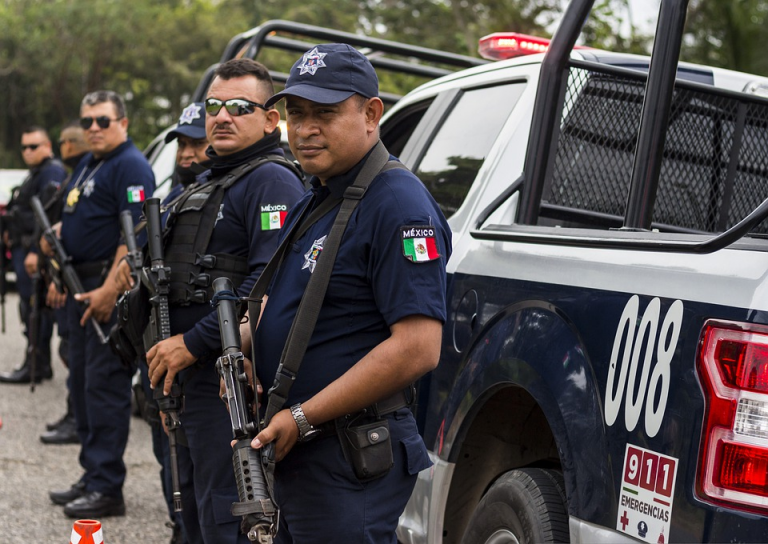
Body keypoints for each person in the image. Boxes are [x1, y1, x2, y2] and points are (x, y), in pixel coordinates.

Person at [243, 43, 452, 543]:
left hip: (346, 451)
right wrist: (248, 347)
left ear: (371, 114)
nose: (307, 128)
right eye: (297, 113)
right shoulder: (321, 194)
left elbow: (418, 347)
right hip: (306, 447)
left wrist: (301, 414)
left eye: (326, 113)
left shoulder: (396, 202)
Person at [144, 60, 304, 544]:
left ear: (270, 119)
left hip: (230, 381)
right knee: (191, 504)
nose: (222, 117)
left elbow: (267, 285)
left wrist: (193, 343)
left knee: (225, 514)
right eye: (215, 106)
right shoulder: (213, 179)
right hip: (189, 377)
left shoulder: (271, 180)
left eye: (240, 107)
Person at [44, 90, 155, 518]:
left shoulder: (130, 165)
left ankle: (107, 486)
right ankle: (92, 475)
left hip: (107, 289)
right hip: (79, 285)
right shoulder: (93, 162)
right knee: (84, 388)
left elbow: (136, 232)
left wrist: (112, 289)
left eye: (102, 121)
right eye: (87, 121)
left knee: (105, 389)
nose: (93, 128)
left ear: (123, 123)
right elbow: (81, 214)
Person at [116, 102, 210, 544]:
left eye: (198, 143)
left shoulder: (225, 192)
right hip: (157, 347)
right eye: (183, 145)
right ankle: (179, 529)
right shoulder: (175, 193)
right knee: (167, 453)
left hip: (197, 355)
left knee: (196, 470)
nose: (188, 154)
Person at [0, 126, 67, 384]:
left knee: (34, 308)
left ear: (48, 146)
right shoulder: (36, 174)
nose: (28, 152)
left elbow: (47, 216)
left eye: (34, 146)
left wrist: (34, 251)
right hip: (23, 249)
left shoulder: (51, 171)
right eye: (24, 147)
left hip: (32, 252)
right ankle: (36, 363)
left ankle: (36, 366)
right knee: (28, 308)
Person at [39, 121, 90, 445]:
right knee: (70, 349)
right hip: (68, 277)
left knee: (73, 352)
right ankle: (74, 415)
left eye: (64, 142)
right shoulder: (80, 175)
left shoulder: (84, 173)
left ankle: (77, 418)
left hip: (83, 282)